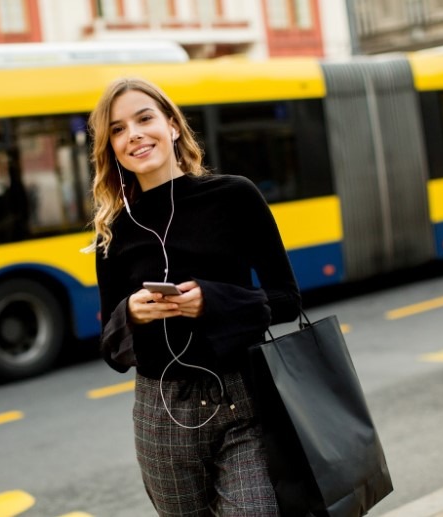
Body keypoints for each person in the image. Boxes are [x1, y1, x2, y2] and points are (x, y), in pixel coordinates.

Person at [86, 76, 301, 516]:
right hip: (160, 414)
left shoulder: (235, 196)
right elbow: (111, 348)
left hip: (243, 399)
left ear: (173, 126)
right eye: (118, 129)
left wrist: (213, 302)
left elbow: (286, 299)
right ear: (111, 148)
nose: (134, 135)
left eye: (145, 119)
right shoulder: (114, 231)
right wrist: (131, 313)